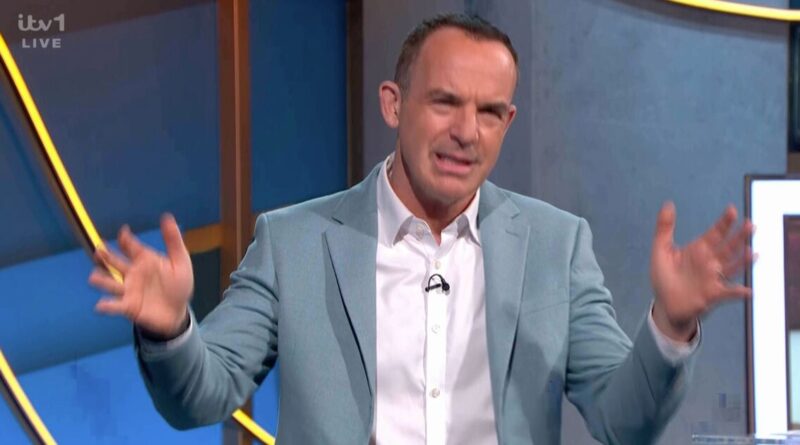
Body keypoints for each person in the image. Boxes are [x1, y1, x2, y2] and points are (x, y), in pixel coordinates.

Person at [88, 13, 754, 445]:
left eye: (489, 112)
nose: (467, 131)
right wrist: (170, 329)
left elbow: (623, 420)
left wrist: (670, 326)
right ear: (394, 103)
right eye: (445, 102)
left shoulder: (557, 245)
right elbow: (201, 397)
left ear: (508, 122)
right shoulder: (293, 242)